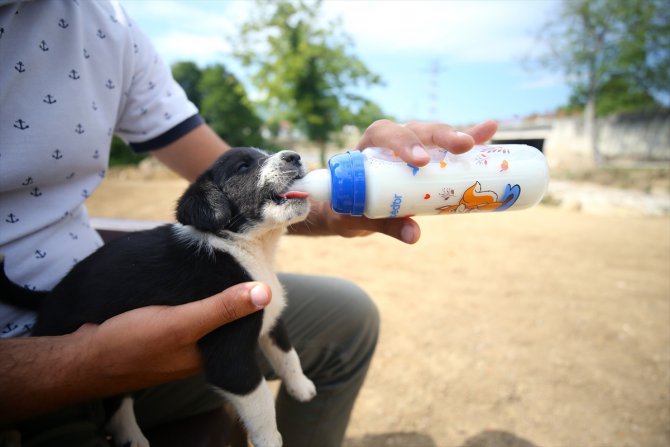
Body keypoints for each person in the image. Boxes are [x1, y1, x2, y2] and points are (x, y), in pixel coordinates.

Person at [0, 1, 498, 446]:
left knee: (350, 315)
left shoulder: (106, 23)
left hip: (78, 274)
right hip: (40, 341)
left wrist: (363, 185)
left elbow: (230, 180)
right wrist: (78, 364)